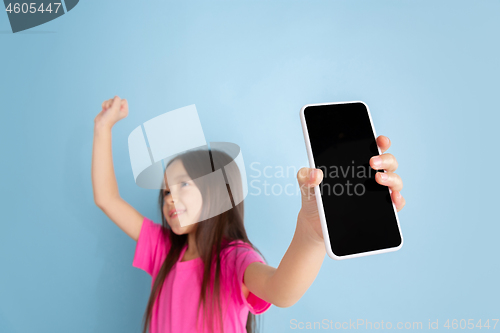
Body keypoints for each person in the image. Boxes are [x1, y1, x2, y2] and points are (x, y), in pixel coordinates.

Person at [92, 96, 406, 333]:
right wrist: (103, 128)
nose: (169, 198)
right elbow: (107, 199)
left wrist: (310, 235)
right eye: (165, 192)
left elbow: (280, 290)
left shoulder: (233, 260)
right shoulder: (163, 251)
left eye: (182, 184)